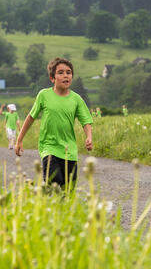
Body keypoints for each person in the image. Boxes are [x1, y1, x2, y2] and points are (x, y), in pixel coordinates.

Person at [15, 57, 93, 189]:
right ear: (52, 78)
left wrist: (89, 137)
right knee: (54, 183)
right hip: (49, 147)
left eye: (68, 72)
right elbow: (31, 117)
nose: (65, 75)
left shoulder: (76, 99)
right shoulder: (44, 95)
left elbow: (86, 121)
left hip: (70, 151)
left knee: (68, 190)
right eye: (60, 72)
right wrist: (19, 140)